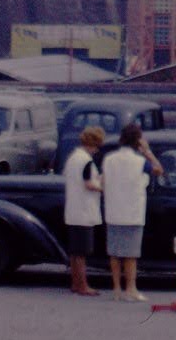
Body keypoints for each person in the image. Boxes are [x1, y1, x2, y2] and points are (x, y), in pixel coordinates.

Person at [102, 123, 163, 302]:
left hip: (113, 210)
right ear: (138, 141)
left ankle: (116, 289)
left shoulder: (109, 159)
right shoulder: (140, 161)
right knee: (131, 254)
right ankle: (131, 288)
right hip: (133, 211)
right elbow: (159, 170)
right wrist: (148, 151)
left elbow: (104, 180)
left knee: (114, 253)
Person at [63, 125, 105, 296]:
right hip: (84, 210)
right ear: (93, 144)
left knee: (75, 251)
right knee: (82, 252)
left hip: (73, 209)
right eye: (97, 146)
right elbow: (88, 184)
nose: (97, 150)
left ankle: (75, 283)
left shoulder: (73, 157)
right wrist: (103, 187)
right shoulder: (86, 160)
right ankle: (83, 286)